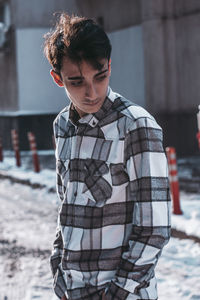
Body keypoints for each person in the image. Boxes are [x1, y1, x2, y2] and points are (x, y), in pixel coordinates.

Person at [44, 13, 171, 300]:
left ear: (109, 66)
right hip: (72, 291)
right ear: (57, 78)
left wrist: (117, 293)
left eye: (99, 76)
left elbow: (154, 229)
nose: (92, 92)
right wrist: (58, 269)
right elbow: (67, 206)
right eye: (76, 82)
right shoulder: (62, 126)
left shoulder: (136, 125)